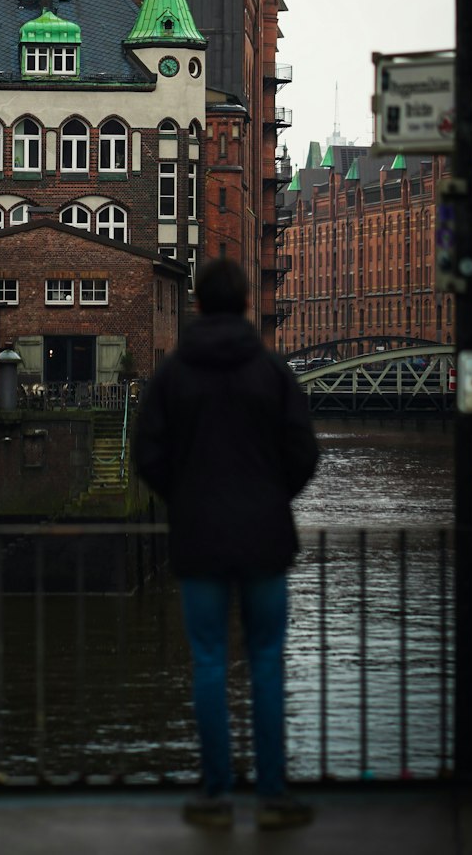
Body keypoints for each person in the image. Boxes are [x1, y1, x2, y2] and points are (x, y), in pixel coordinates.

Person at [134, 257, 318, 832]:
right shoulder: (273, 372)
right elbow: (304, 454)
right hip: (265, 539)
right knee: (265, 663)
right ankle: (272, 797)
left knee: (210, 663)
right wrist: (271, 496)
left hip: (200, 539)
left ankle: (215, 796)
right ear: (244, 306)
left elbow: (147, 456)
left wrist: (185, 496)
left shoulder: (172, 374)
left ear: (196, 307)